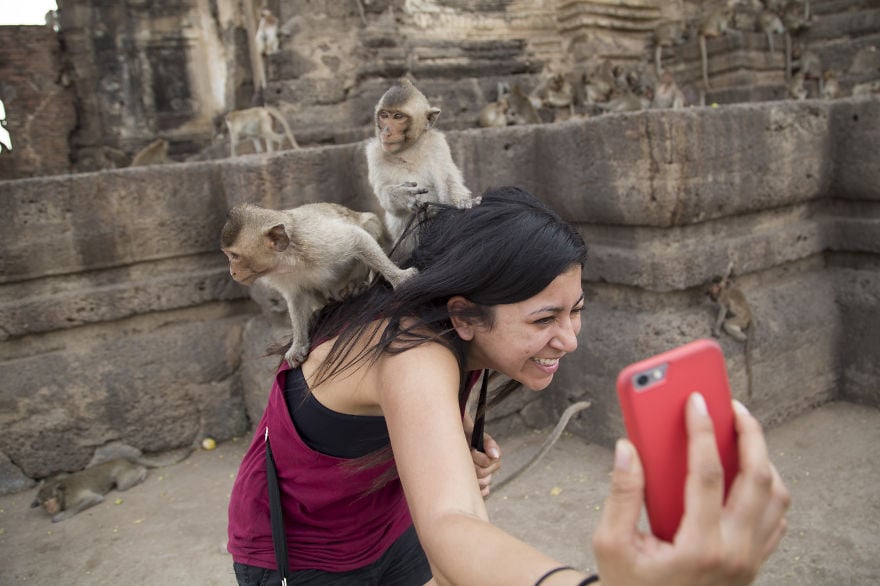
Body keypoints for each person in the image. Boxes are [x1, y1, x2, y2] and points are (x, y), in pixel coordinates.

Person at [227, 186, 790, 586]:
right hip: (303, 555)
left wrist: (445, 454)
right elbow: (452, 526)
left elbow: (454, 525)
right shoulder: (412, 351)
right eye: (544, 320)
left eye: (577, 310)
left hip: (390, 519)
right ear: (465, 314)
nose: (569, 340)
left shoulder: (454, 331)